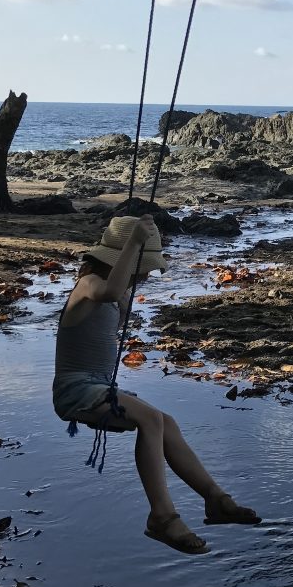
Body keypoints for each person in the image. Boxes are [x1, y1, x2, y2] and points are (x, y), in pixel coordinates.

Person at [53, 214, 259, 554]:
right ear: (119, 259)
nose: (149, 273)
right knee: (149, 420)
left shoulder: (116, 290)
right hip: (75, 390)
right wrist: (134, 243)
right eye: (143, 266)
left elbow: (119, 289)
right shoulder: (88, 286)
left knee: (166, 423)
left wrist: (138, 245)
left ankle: (215, 499)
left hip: (100, 386)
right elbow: (110, 289)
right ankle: (161, 517)